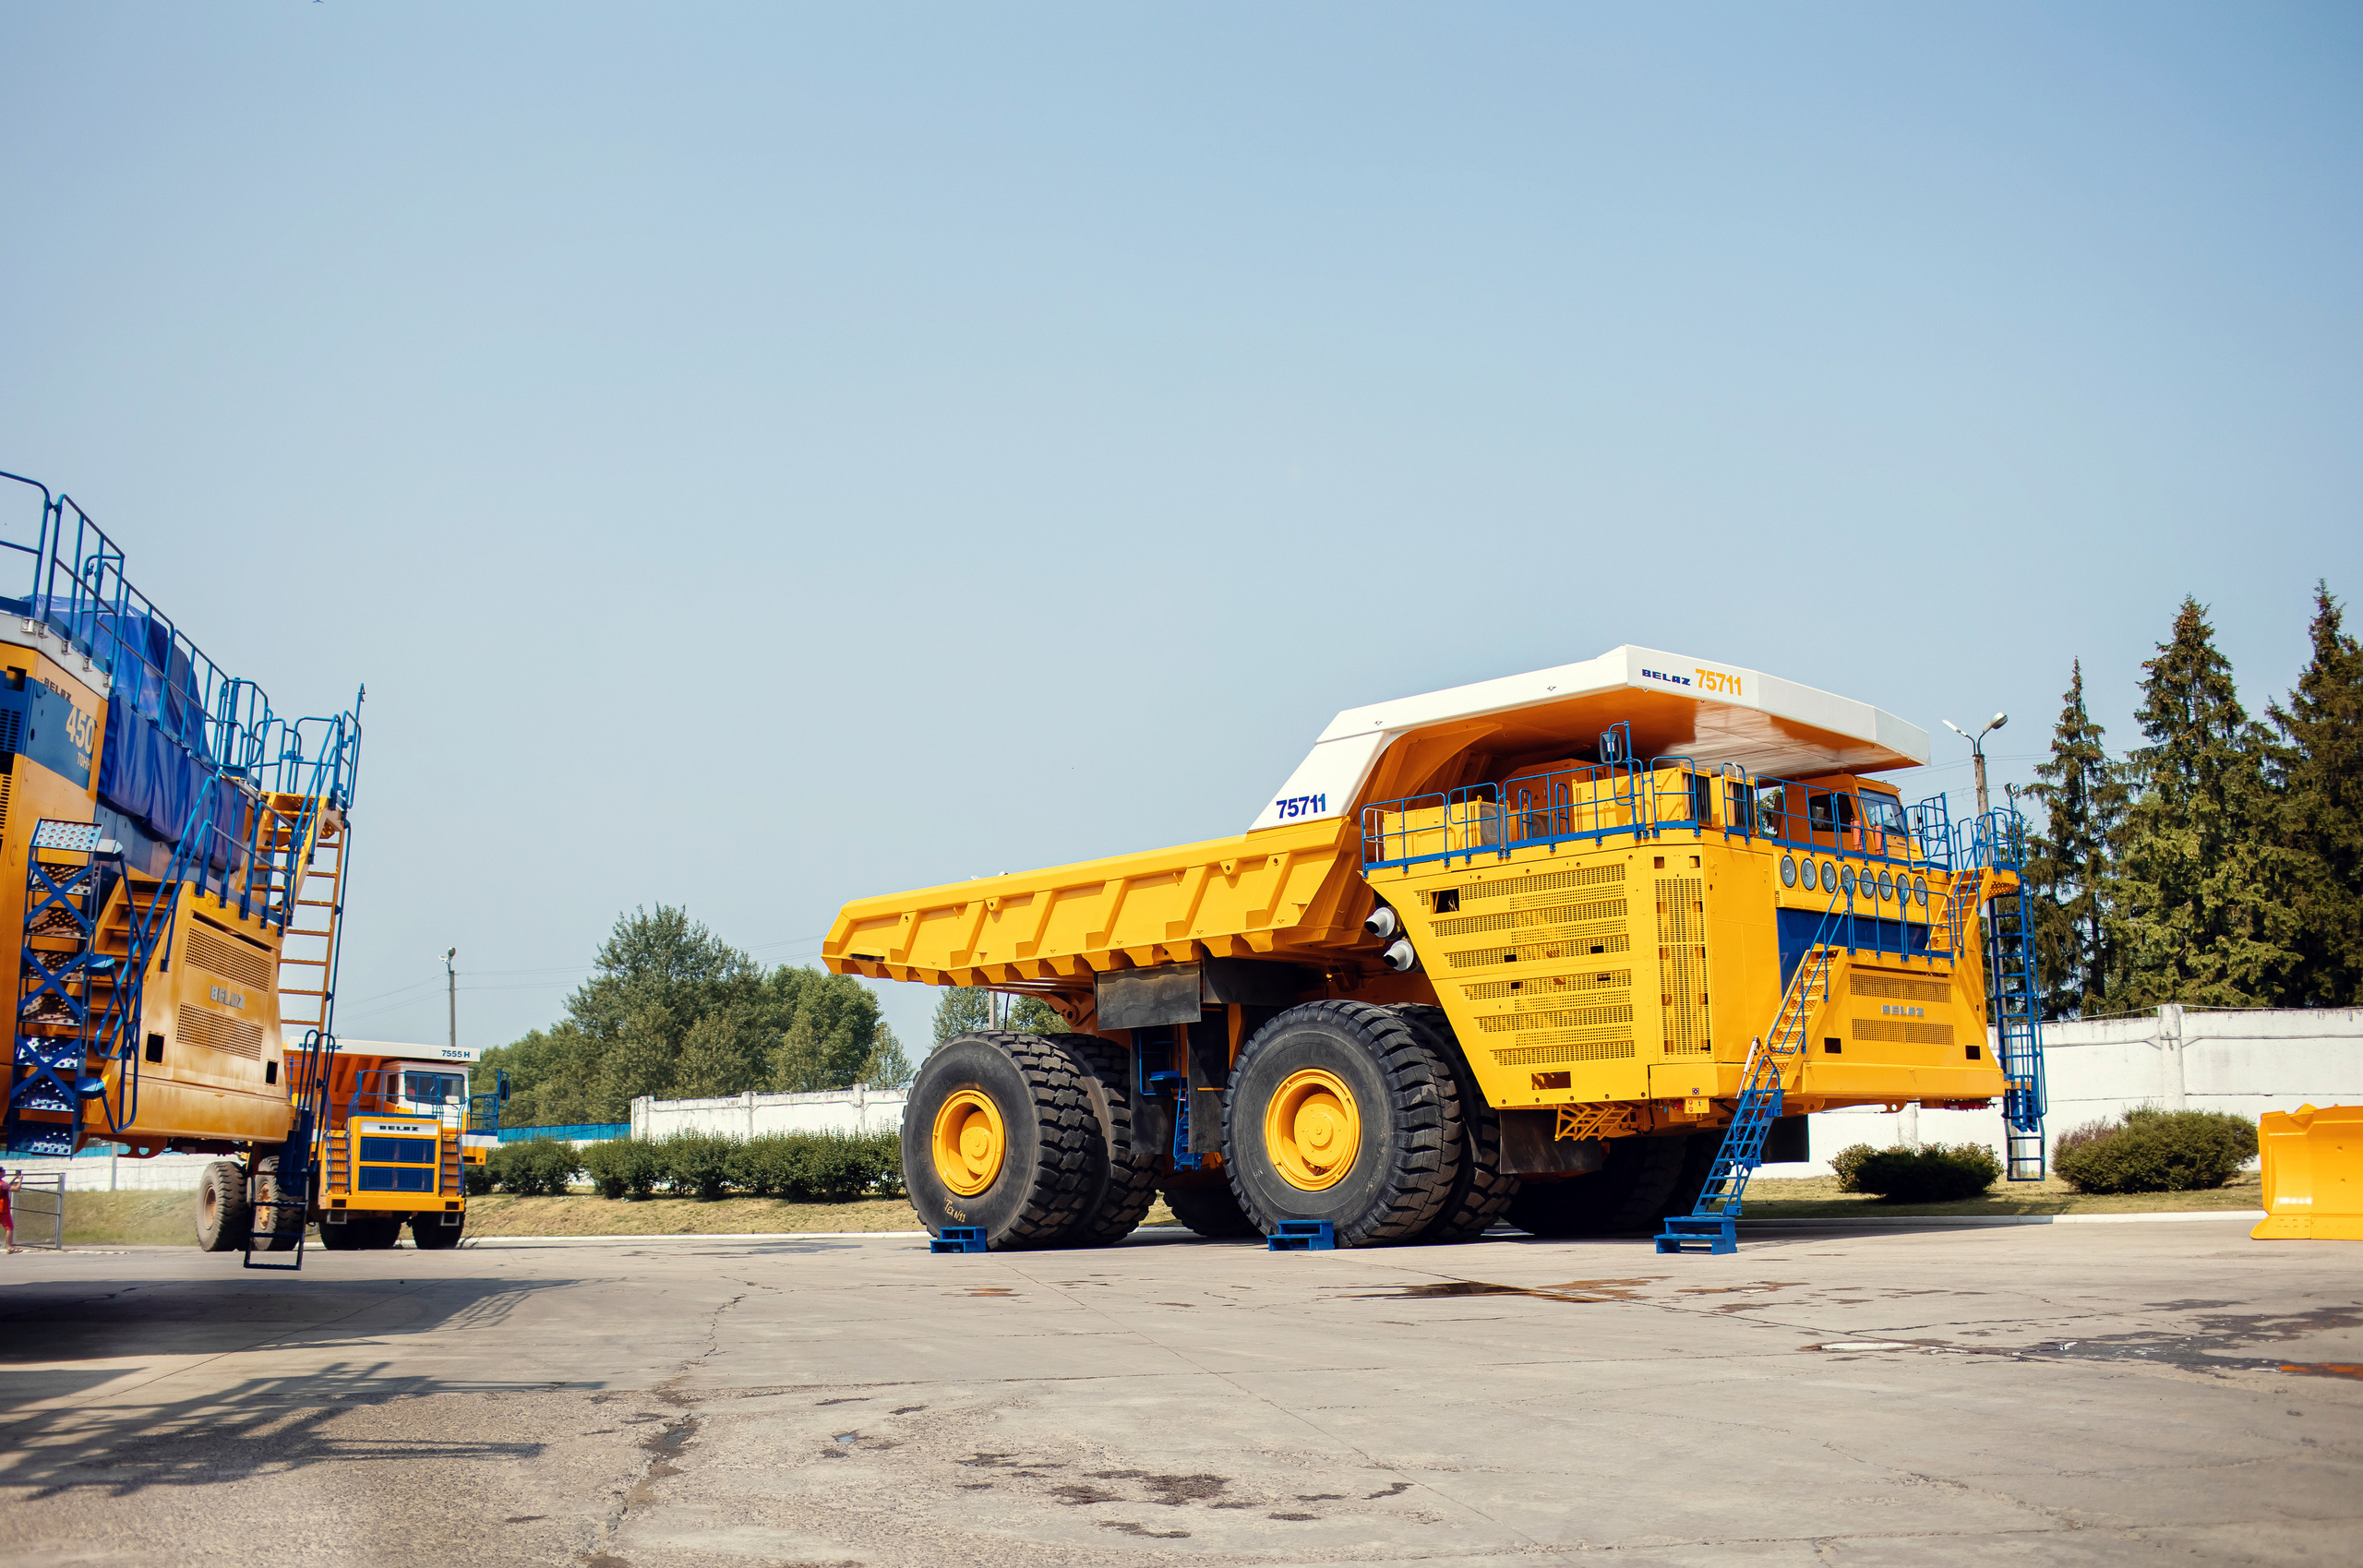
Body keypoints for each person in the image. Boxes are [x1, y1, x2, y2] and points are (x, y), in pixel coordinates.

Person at [2, 1167, 18, 1253]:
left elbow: (6, 1187)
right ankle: (9, 1247)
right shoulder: (2, 1184)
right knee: (9, 1228)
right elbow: (17, 1189)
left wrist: (14, 1179)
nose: (4, 1172)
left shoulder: (3, 1185)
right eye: (3, 1171)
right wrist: (20, 1181)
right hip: (2, 1210)